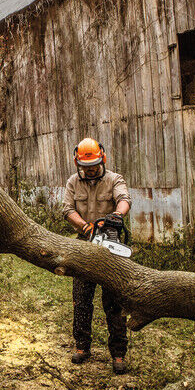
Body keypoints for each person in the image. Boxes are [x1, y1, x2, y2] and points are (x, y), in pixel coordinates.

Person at [62, 138, 132, 374]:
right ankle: (82, 347)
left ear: (102, 159)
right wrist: (85, 227)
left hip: (110, 241)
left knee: (114, 302)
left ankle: (119, 353)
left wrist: (115, 216)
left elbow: (124, 200)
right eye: (85, 166)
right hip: (84, 243)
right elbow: (68, 210)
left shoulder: (114, 179)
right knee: (81, 299)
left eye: (94, 164)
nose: (90, 169)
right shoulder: (73, 182)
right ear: (78, 164)